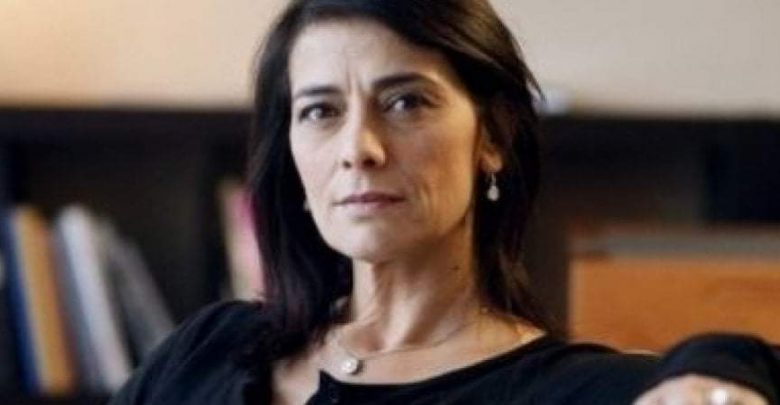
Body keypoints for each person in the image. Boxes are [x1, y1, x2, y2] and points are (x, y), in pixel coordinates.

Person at [110, 0, 780, 404]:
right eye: (321, 110)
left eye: (406, 102)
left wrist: (723, 365)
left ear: (492, 138)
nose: (359, 147)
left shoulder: (568, 390)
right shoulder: (207, 351)